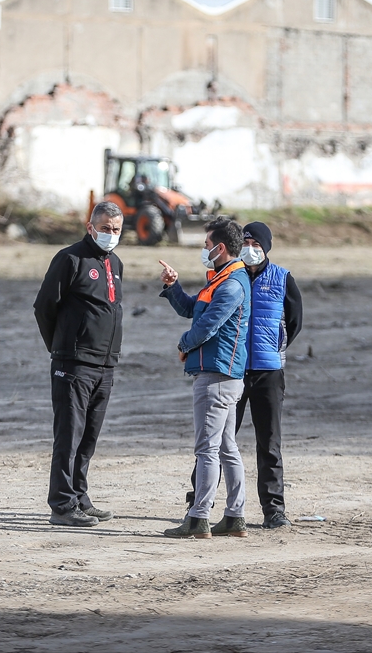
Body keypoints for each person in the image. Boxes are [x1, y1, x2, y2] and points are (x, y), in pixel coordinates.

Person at [183, 221, 303, 529]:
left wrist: (274, 346)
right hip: (233, 370)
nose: (250, 249)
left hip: (268, 372)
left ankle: (274, 510)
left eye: (257, 245)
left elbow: (295, 320)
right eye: (246, 243)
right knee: (219, 441)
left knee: (269, 443)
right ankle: (199, 500)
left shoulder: (282, 278)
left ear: (266, 248)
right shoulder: (230, 277)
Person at [158, 216, 252, 539]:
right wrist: (172, 287)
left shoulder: (232, 285)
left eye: (207, 245)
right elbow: (192, 309)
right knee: (226, 446)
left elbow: (207, 326)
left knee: (208, 449)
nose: (204, 249)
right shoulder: (220, 279)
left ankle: (199, 518)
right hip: (222, 376)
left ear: (221, 248)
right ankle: (234, 516)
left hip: (216, 375)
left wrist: (184, 344)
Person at [33, 202, 125, 528]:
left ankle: (79, 498)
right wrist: (60, 348)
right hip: (73, 364)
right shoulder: (70, 259)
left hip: (105, 366)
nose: (110, 235)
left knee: (88, 439)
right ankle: (61, 505)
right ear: (90, 227)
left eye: (116, 229)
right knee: (68, 437)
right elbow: (44, 307)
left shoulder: (115, 263)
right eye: (105, 228)